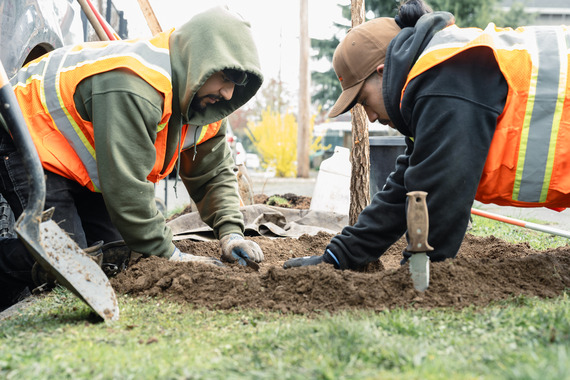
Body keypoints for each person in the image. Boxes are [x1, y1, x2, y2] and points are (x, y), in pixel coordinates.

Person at [0, 6, 264, 310]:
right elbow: (127, 188)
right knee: (71, 266)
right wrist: (173, 257)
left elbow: (214, 173)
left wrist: (231, 233)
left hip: (79, 165)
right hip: (28, 134)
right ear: (201, 59)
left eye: (237, 84)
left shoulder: (205, 103)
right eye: (226, 77)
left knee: (116, 257)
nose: (229, 94)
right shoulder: (137, 84)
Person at [284, 0, 570, 271]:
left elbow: (441, 191)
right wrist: (338, 256)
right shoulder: (435, 78)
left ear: (382, 72)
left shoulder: (445, 78)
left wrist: (417, 275)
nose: (369, 117)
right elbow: (405, 188)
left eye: (363, 101)